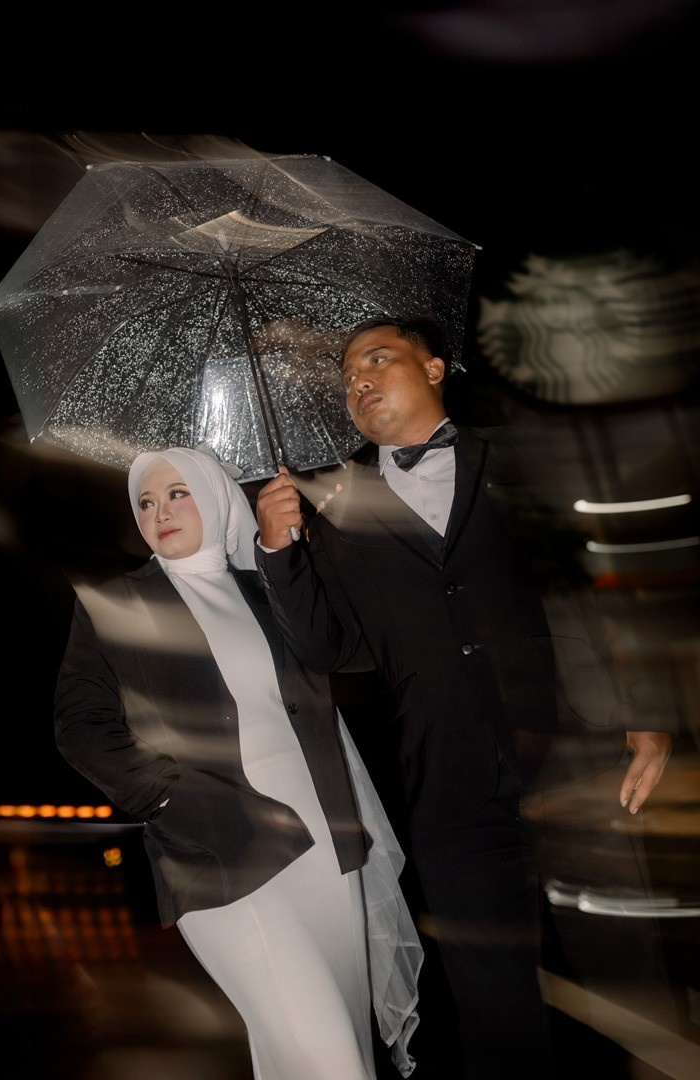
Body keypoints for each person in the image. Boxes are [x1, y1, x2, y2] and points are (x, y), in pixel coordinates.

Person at [253, 315, 673, 1079]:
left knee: (620, 966)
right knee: (491, 995)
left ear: (435, 368)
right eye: (348, 376)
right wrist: (280, 552)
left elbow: (588, 580)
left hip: (573, 756)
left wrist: (643, 708)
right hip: (446, 778)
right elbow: (330, 649)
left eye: (378, 359)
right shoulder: (336, 504)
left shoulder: (514, 460)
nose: (358, 381)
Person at [54, 444, 423, 1080]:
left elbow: (339, 649)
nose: (159, 512)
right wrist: (169, 797)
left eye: (177, 494)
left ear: (216, 496)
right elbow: (81, 728)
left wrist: (283, 550)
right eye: (145, 501)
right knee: (327, 1052)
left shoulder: (267, 588)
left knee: (315, 1052)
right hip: (216, 850)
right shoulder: (113, 603)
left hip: (323, 844)